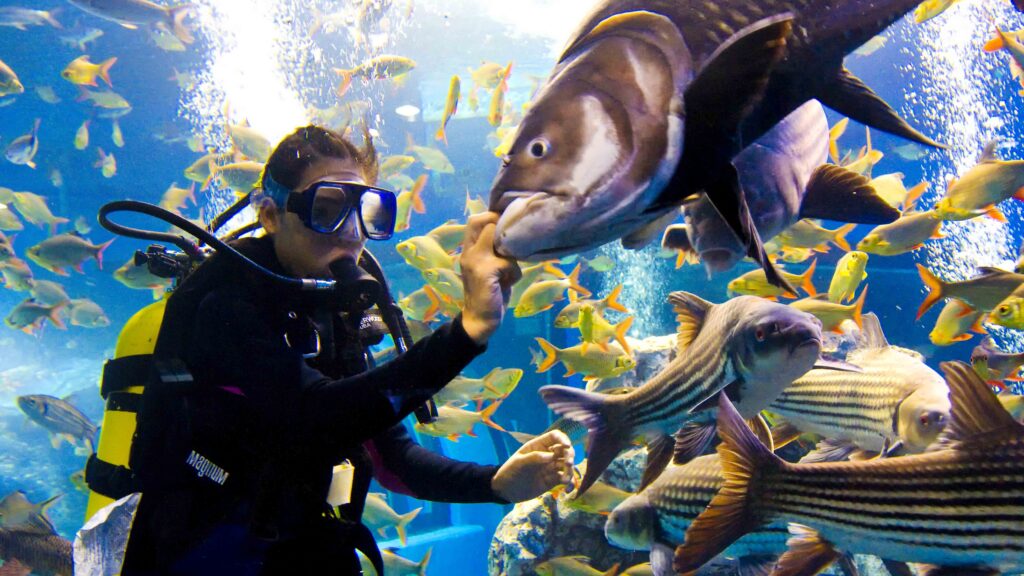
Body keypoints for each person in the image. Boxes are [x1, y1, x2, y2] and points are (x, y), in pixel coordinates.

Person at [120, 125, 574, 575]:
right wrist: (468, 330)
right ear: (270, 215)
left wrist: (494, 483)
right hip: (200, 549)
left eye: (367, 211)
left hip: (292, 545)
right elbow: (317, 416)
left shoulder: (334, 316)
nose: (351, 233)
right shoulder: (224, 305)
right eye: (328, 208)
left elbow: (393, 459)